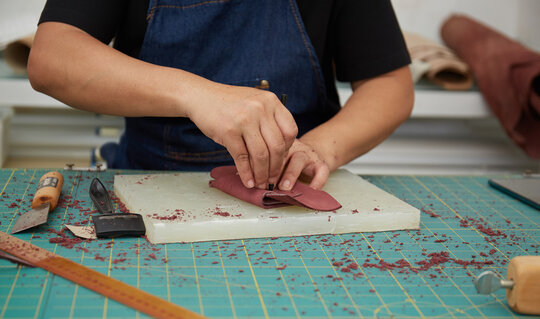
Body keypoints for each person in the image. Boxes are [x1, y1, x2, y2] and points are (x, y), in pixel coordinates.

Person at [28, 0, 414, 192]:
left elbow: (390, 85)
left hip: (293, 192)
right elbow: (52, 57)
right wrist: (196, 94)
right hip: (153, 184)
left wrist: (321, 149)